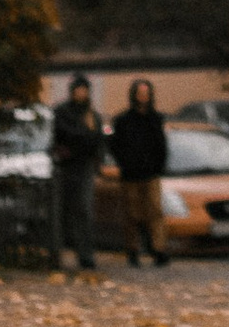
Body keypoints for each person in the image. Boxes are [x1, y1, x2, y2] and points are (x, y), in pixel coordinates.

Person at [109, 78, 169, 268]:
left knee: (155, 212)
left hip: (151, 173)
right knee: (132, 214)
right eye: (140, 93)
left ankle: (158, 249)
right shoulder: (123, 121)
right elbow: (115, 146)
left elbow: (161, 145)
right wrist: (125, 163)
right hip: (131, 174)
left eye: (146, 93)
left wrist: (158, 165)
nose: (143, 97)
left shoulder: (156, 119)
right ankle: (133, 250)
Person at [50, 73, 105, 273]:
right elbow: (63, 134)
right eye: (78, 89)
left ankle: (86, 255)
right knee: (60, 212)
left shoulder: (92, 115)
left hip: (83, 167)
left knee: (84, 211)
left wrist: (82, 138)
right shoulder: (63, 112)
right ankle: (56, 254)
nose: (81, 93)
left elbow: (96, 140)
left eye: (84, 89)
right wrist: (83, 136)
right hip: (65, 166)